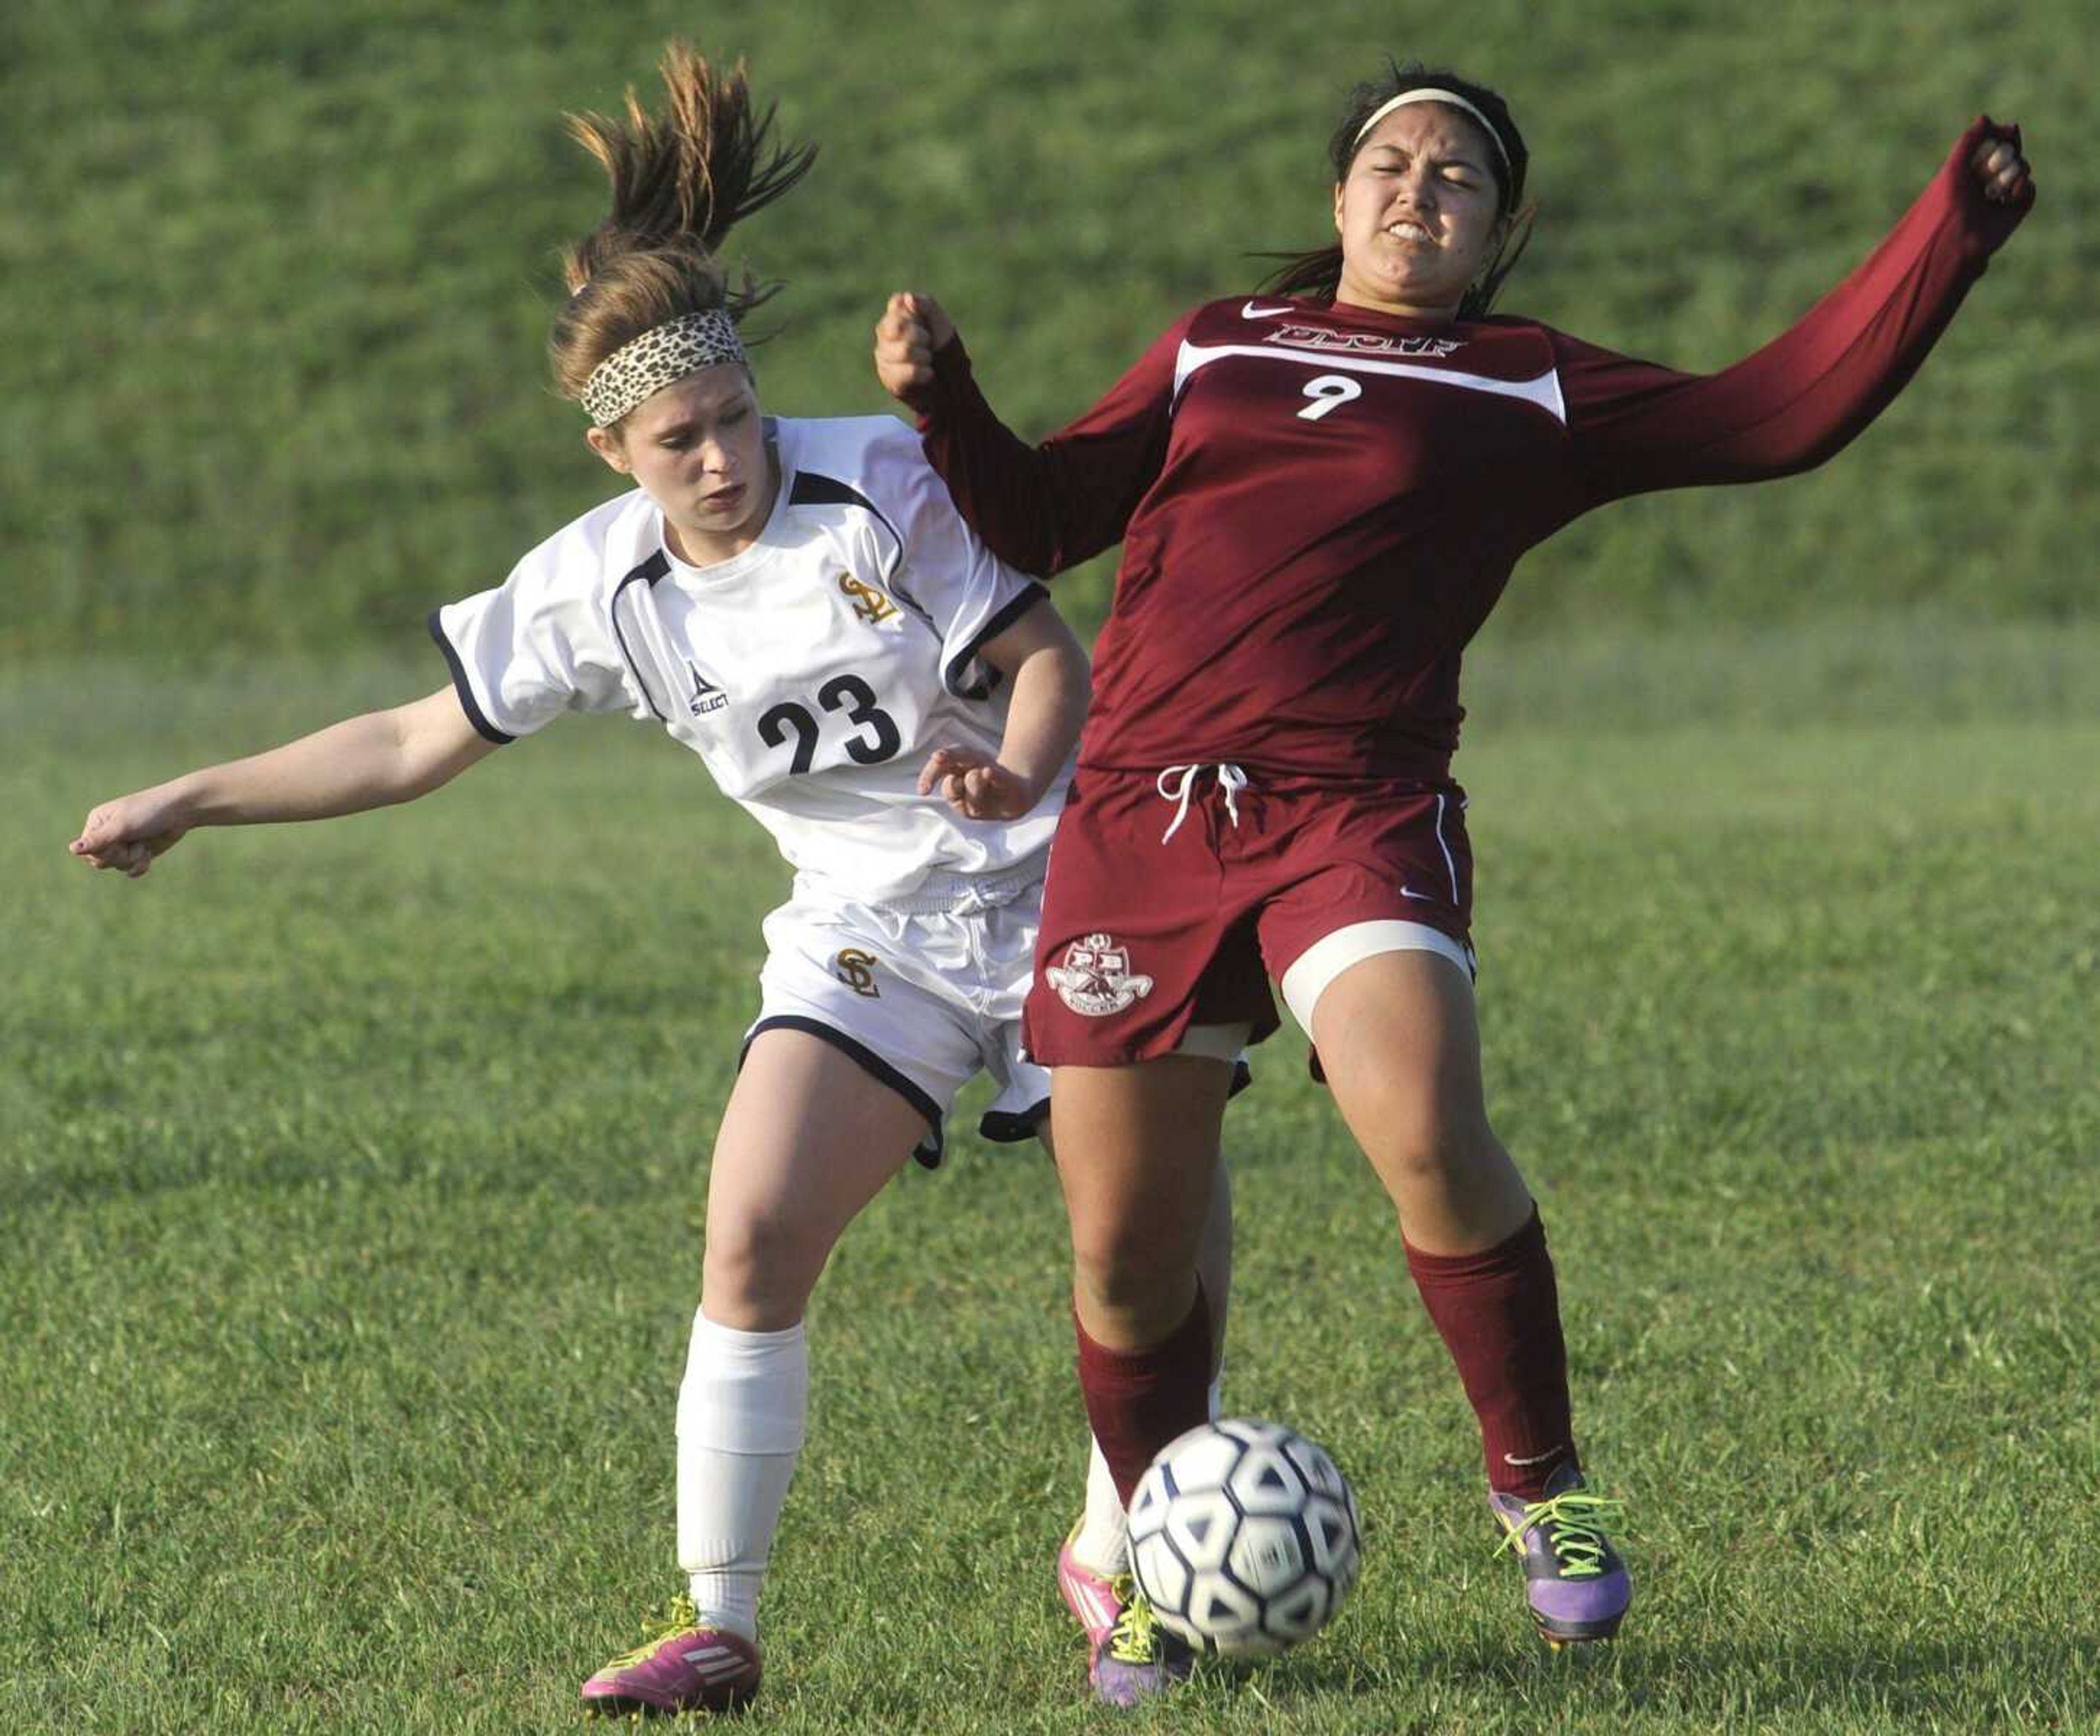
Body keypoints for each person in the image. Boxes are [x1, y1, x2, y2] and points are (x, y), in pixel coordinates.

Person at [68, 44, 1238, 1720]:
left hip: (1080, 890)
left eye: (739, 418)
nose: (724, 461)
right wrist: (190, 795)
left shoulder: (879, 482)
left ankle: (1127, 1544)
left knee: (1156, 1256)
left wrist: (1017, 769)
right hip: (870, 934)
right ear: (615, 450)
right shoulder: (599, 587)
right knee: (750, 1225)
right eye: (682, 439)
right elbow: (412, 742)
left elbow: (1055, 661)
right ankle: (721, 1626)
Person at [875, 60, 2034, 1702]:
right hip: (1139, 820)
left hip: (1353, 803)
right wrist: (948, 398)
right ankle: (1142, 1552)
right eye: (1390, 165)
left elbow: (1780, 409)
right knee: (1128, 1263)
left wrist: (1948, 236)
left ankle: (1540, 1484)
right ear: (1339, 199)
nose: (1418, 192)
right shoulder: (1223, 341)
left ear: (1499, 231)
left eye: (1458, 179)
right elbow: (1048, 512)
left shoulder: (1526, 384)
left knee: (1423, 1123)